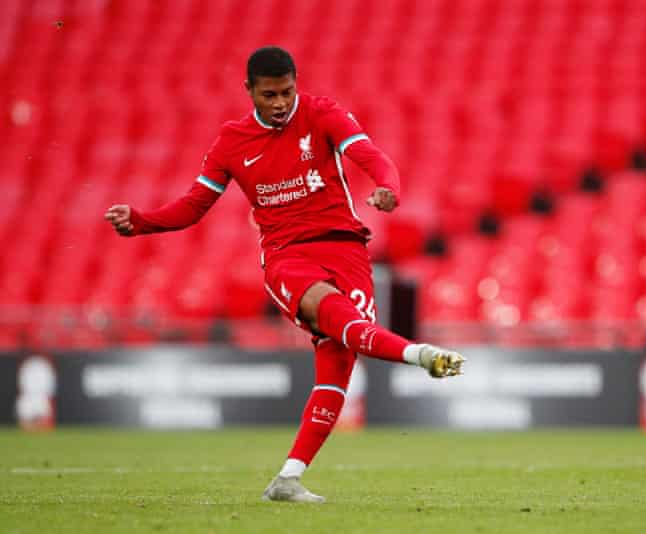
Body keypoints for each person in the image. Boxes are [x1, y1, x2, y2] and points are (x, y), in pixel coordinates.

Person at [104, 46, 465, 504]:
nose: (279, 103)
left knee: (339, 358)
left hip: (347, 248)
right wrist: (141, 220)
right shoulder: (232, 142)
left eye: (287, 92)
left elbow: (372, 156)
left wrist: (388, 187)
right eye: (269, 94)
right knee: (335, 317)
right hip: (287, 256)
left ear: (297, 83)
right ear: (249, 91)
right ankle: (419, 355)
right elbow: (193, 206)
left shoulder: (321, 114)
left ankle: (287, 480)